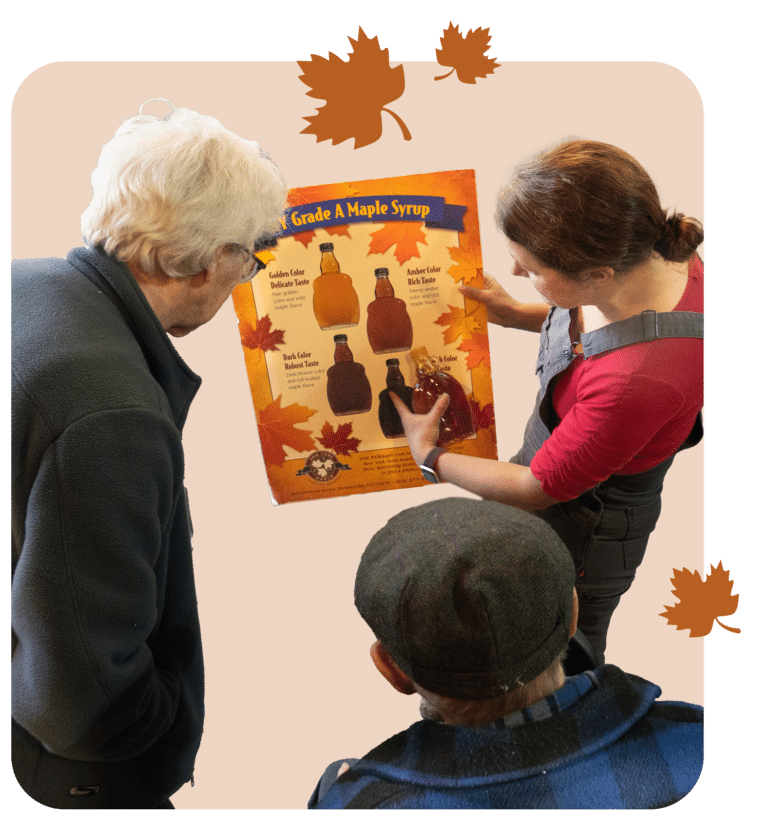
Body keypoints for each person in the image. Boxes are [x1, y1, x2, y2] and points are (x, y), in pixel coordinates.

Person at [10, 99, 286, 809]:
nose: (242, 278)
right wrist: (161, 726)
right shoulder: (115, 415)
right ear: (205, 260)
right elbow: (83, 691)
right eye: (247, 258)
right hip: (72, 771)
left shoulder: (24, 287)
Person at [391, 140, 704, 664]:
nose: (516, 274)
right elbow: (595, 327)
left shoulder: (636, 380)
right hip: (569, 461)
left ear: (598, 273)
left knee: (562, 638)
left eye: (530, 269)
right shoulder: (656, 256)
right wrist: (517, 314)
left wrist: (431, 458)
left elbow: (537, 487)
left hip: (592, 518)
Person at [309, 497, 703, 810]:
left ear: (392, 670)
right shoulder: (700, 738)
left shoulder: (353, 801)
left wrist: (347, 789)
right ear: (572, 616)